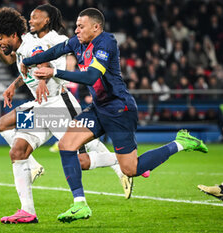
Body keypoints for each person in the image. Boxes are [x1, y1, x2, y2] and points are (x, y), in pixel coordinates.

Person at [22, 8, 208, 222]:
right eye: (76, 26)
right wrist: (27, 62)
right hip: (99, 109)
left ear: (96, 27)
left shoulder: (106, 43)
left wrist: (54, 72)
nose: (77, 29)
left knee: (131, 169)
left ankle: (180, 143)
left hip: (119, 109)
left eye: (81, 26)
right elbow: (54, 52)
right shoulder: (76, 43)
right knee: (66, 145)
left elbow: (92, 77)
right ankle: (80, 204)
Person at [0, 5, 134, 224]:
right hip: (40, 107)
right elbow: (20, 61)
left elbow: (43, 60)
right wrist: (13, 81)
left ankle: (126, 162)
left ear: (13, 35)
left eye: (0, 37)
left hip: (58, 105)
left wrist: (44, 80)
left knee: (81, 159)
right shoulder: (23, 45)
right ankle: (27, 210)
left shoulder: (34, 44)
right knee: (17, 149)